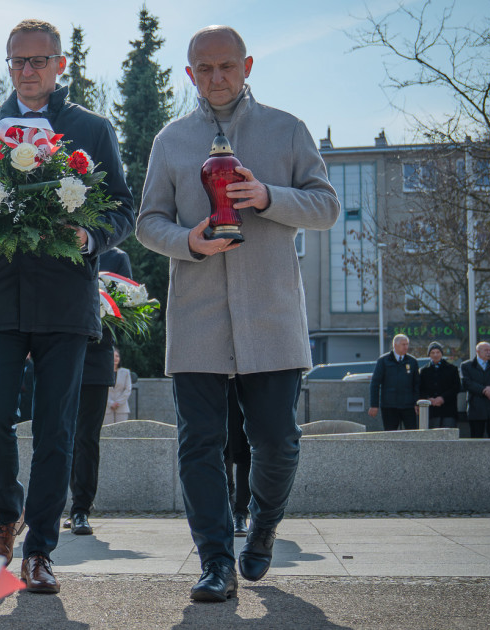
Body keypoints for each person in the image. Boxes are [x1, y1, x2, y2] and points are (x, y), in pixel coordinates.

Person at [134, 25, 340, 602]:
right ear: (189, 73)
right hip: (197, 317)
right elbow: (149, 221)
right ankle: (215, 563)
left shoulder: (286, 129)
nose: (216, 78)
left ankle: (264, 527)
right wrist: (188, 242)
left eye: (227, 66)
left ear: (247, 65)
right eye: (204, 68)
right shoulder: (171, 140)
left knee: (277, 442)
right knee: (199, 443)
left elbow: (327, 207)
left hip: (271, 315)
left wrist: (268, 197)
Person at [0, 18, 135, 595]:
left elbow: (122, 211)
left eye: (39, 61)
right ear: (8, 65)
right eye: (18, 61)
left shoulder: (91, 129)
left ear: (60, 64)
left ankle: (40, 550)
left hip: (65, 302)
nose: (28, 71)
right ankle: (5, 517)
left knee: (56, 431)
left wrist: (88, 238)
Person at [66, 246, 132, 536]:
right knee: (58, 433)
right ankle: (52, 504)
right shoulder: (54, 243)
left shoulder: (116, 257)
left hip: (95, 355)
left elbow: (126, 306)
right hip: (57, 352)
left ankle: (81, 509)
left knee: (87, 437)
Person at [368, 334, 421, 431]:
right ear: (395, 345)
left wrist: (417, 403)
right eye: (403, 344)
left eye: (407, 344)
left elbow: (416, 384)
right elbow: (375, 383)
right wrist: (374, 405)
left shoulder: (412, 361)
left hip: (408, 406)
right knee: (390, 434)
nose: (406, 347)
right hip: (389, 406)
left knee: (412, 433)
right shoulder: (383, 361)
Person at [223, 378, 252, 536]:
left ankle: (240, 514)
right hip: (221, 384)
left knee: (246, 453)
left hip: (249, 384)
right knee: (223, 452)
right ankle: (227, 511)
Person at [460, 342, 490, 438]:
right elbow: (467, 383)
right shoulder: (466, 366)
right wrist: (484, 390)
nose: (489, 352)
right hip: (476, 408)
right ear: (477, 351)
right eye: (486, 350)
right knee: (476, 437)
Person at [419, 342, 460, 429]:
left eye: (438, 352)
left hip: (448, 410)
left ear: (441, 353)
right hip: (431, 410)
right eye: (432, 353)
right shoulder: (424, 371)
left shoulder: (452, 369)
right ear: (429, 355)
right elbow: (420, 389)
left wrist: (443, 398)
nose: (435, 355)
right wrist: (428, 398)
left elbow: (456, 387)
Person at [106, 349, 132, 425]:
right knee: (107, 433)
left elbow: (128, 389)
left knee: (121, 433)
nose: (115, 358)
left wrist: (118, 403)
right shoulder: (104, 372)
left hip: (122, 408)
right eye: (113, 356)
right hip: (107, 408)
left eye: (117, 356)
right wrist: (110, 403)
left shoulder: (126, 372)